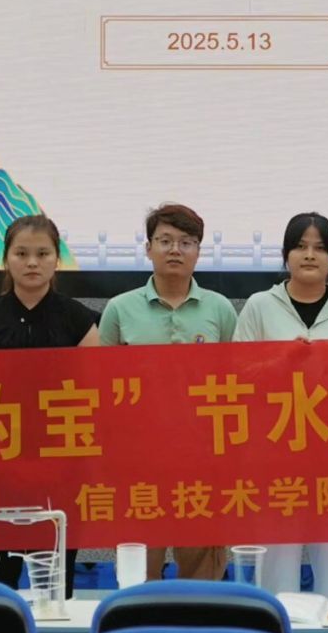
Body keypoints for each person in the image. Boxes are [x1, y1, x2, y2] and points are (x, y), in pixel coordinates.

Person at [97, 202, 237, 581]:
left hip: (202, 461)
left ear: (198, 251)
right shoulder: (120, 310)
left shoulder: (220, 310)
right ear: (148, 248)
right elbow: (101, 385)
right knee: (138, 575)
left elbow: (235, 384)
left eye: (186, 242)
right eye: (165, 241)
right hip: (138, 461)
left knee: (202, 575)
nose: (175, 250)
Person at [0, 214, 99, 595]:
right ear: (7, 260)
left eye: (43, 253)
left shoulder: (80, 321)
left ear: (57, 260)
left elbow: (92, 393)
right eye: (21, 253)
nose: (32, 262)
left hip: (61, 462)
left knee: (54, 584)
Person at [234, 212, 328, 600]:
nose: (310, 255)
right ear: (286, 255)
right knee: (278, 570)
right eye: (300, 246)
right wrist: (281, 362)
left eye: (320, 248)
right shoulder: (259, 306)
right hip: (276, 453)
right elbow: (236, 377)